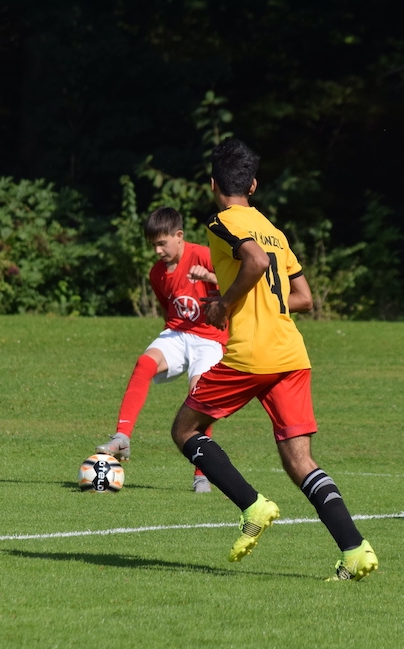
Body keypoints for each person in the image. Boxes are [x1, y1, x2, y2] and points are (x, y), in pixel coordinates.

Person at [169, 139, 378, 580]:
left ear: (213, 184)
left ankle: (253, 506)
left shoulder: (221, 222)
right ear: (254, 185)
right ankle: (355, 550)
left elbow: (255, 261)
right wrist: (257, 299)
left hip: (253, 354)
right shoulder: (274, 230)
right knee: (300, 461)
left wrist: (225, 304)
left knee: (185, 430)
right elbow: (304, 297)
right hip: (291, 354)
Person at [96, 207, 228, 493]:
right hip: (178, 333)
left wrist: (210, 276)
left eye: (162, 243)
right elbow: (168, 310)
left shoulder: (204, 255)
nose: (157, 250)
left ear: (179, 236)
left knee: (200, 397)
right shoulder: (157, 273)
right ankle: (122, 436)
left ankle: (201, 474)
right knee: (144, 363)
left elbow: (240, 284)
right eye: (153, 245)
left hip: (210, 338)